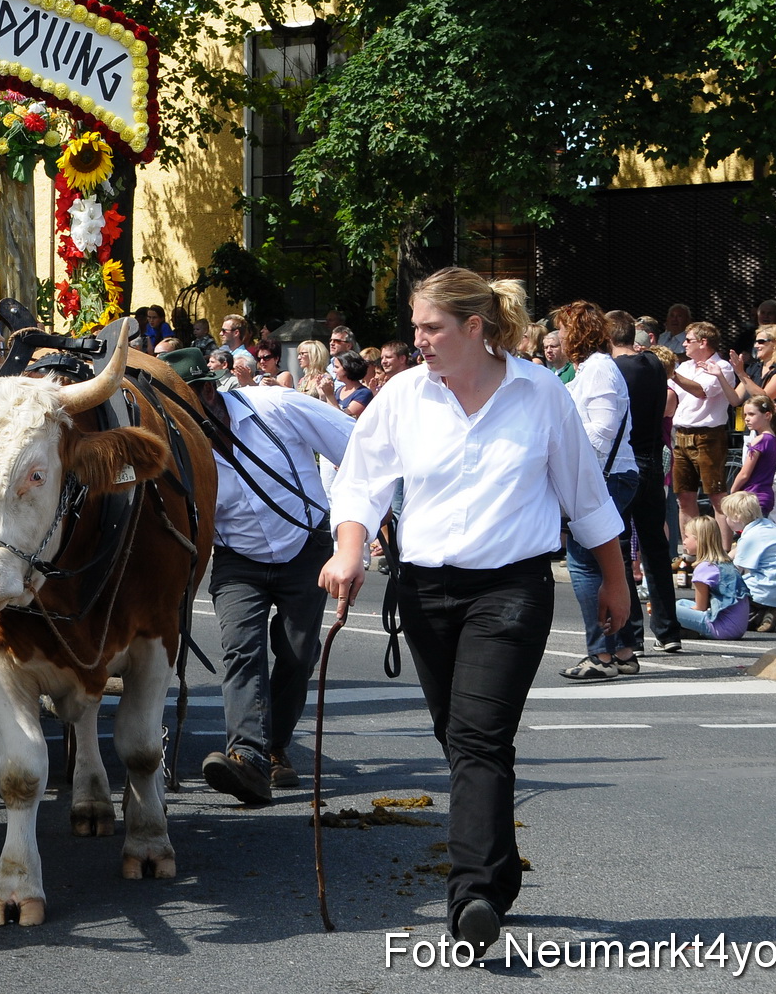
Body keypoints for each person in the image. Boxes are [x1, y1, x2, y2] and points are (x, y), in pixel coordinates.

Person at [322, 268, 626, 952]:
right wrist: (347, 551)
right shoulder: (402, 395)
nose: (416, 340)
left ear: (473, 328)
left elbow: (584, 495)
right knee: (460, 739)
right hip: (424, 592)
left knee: (479, 738)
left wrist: (615, 580)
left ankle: (471, 895)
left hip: (510, 590)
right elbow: (361, 483)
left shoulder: (540, 392)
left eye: (429, 327)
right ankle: (495, 873)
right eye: (414, 327)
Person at [154, 347, 354, 803]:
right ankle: (248, 758)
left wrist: (352, 531)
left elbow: (359, 449)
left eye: (177, 406)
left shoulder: (276, 405)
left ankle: (276, 745)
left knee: (298, 654)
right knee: (241, 650)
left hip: (306, 548)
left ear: (207, 391)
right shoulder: (176, 447)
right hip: (237, 559)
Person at [549, 301, 642, 679]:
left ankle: (601, 656)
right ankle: (620, 650)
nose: (558, 338)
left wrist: (577, 470)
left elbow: (602, 429)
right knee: (603, 564)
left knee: (584, 562)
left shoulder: (601, 368)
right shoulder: (587, 369)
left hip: (607, 476)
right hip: (605, 475)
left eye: (564, 329)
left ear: (579, 331)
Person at [605, 309, 680, 653]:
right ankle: (668, 631)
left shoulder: (612, 370)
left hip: (626, 464)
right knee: (655, 548)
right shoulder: (651, 364)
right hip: (653, 460)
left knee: (621, 552)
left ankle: (631, 635)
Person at [670, 322, 734, 541]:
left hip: (709, 436)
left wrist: (672, 374)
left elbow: (701, 391)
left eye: (688, 340)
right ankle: (691, 551)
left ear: (703, 342)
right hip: (681, 435)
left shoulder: (722, 367)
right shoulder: (685, 367)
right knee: (684, 498)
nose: (684, 344)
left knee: (717, 496)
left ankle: (723, 552)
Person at [721, 491, 776, 634]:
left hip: (762, 589)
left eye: (727, 516)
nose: (726, 520)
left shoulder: (751, 536)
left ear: (736, 517)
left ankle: (757, 616)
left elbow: (735, 569)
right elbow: (735, 553)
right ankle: (768, 611)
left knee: (727, 612)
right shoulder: (766, 526)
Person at [673, 516, 751, 640]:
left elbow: (700, 607)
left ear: (700, 540)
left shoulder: (704, 568)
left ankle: (677, 632)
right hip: (739, 628)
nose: (684, 541)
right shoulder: (724, 563)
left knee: (666, 609)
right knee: (681, 603)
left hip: (721, 629)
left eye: (687, 537)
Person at [729, 395, 776, 515]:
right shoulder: (774, 439)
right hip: (765, 496)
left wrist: (732, 492)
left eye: (752, 414)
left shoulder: (760, 440)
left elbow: (744, 474)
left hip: (753, 496)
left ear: (767, 415)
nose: (747, 419)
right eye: (745, 415)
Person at [722, 325, 776, 406]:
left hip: (772, 417)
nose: (756, 346)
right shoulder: (754, 368)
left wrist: (741, 373)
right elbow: (735, 400)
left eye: (761, 341)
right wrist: (719, 375)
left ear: (775, 343)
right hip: (748, 417)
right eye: (755, 342)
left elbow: (764, 399)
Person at [332, 351, 373, 417]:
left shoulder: (363, 393)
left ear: (347, 368)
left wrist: (329, 395)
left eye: (337, 367)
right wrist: (322, 394)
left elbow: (342, 418)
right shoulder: (339, 390)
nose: (333, 370)